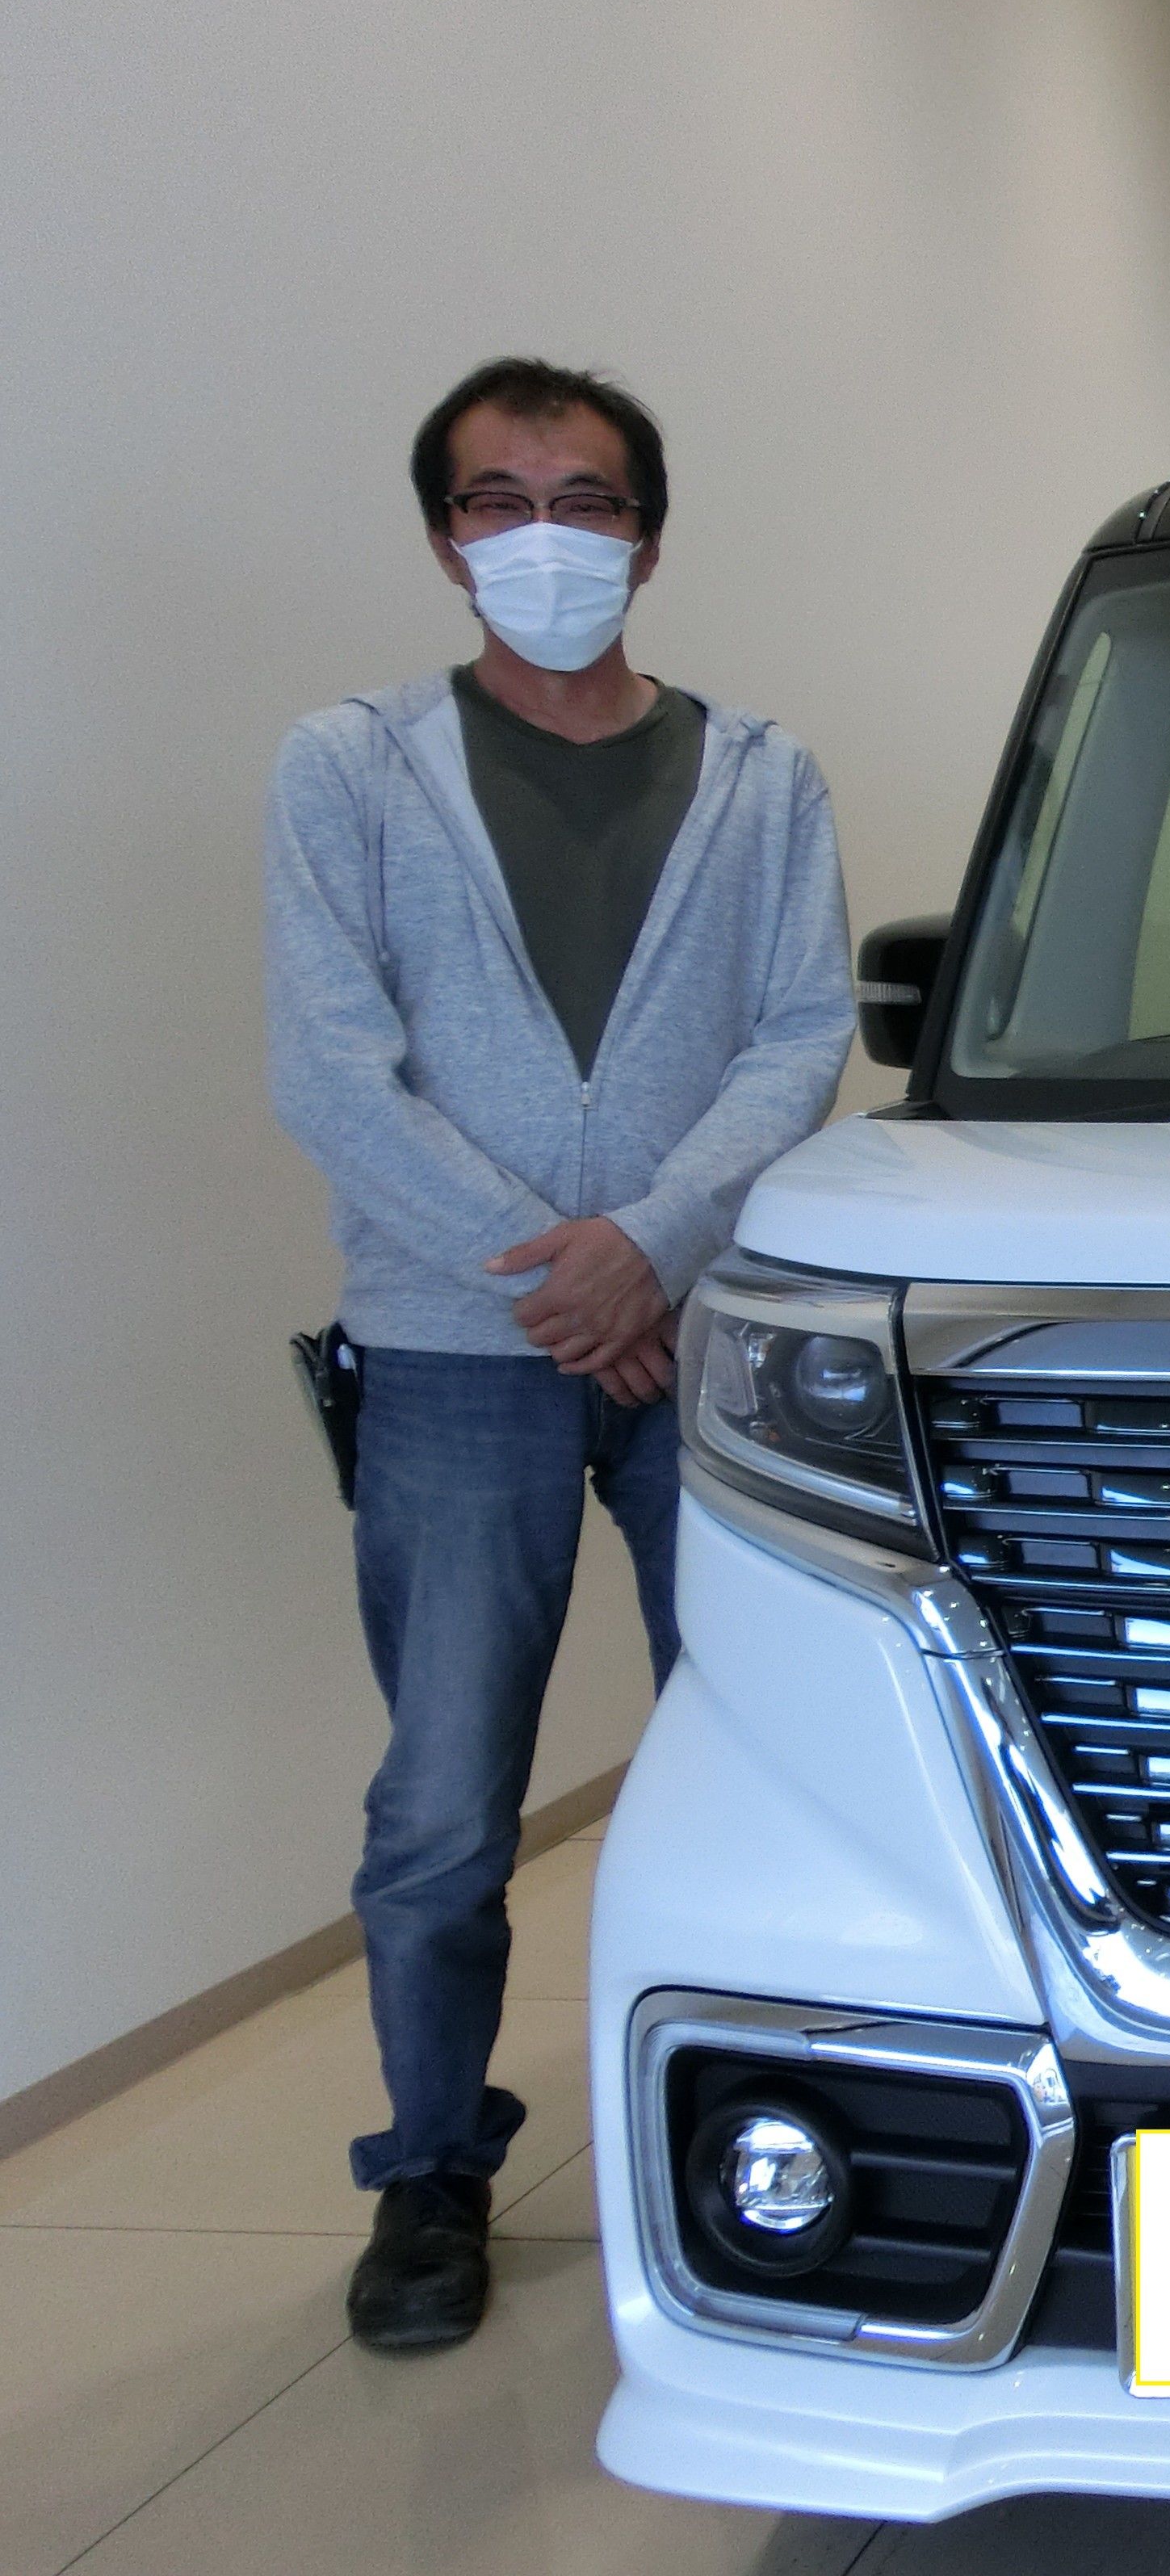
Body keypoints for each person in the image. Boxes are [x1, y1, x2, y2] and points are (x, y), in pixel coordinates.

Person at [266, 358, 853, 2350]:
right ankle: (432, 2170)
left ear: (650, 539)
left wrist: (650, 1254)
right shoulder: (350, 770)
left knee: (761, 1761)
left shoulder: (759, 776)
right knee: (443, 1805)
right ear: (446, 540)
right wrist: (562, 1283)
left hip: (704, 1352)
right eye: (498, 501)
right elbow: (333, 1074)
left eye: (586, 502)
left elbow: (800, 1032)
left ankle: (770, 2139)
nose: (545, 538)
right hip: (452, 1360)